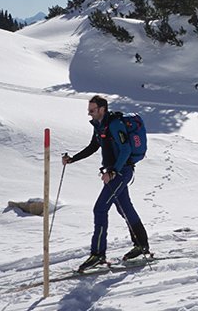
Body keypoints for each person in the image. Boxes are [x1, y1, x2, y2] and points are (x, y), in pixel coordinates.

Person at [62, 96, 150, 272]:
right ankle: (141, 245)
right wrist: (73, 159)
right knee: (124, 207)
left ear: (102, 109)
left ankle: (98, 254)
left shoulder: (115, 124)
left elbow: (126, 149)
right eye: (89, 110)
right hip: (114, 172)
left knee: (100, 208)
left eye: (92, 110)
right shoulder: (99, 126)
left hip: (121, 171)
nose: (89, 113)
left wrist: (113, 171)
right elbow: (93, 146)